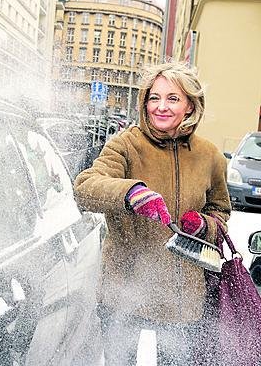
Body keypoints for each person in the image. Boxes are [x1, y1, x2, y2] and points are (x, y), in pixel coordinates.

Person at [73, 62, 231, 365]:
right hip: (124, 290)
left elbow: (220, 211)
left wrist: (204, 225)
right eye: (154, 97)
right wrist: (130, 193)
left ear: (189, 106)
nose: (161, 107)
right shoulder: (125, 144)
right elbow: (85, 187)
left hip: (184, 298)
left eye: (173, 98)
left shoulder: (210, 156)